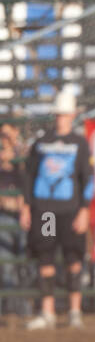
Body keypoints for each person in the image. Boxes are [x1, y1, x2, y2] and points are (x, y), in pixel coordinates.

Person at [20, 89, 93, 330]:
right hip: (47, 211)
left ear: (72, 115)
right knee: (46, 256)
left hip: (70, 209)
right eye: (58, 114)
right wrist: (27, 206)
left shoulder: (80, 144)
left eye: (65, 114)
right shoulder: (42, 144)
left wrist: (85, 210)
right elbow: (29, 176)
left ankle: (74, 311)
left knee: (73, 258)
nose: (61, 118)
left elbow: (87, 179)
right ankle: (48, 312)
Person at [0, 125, 31, 316]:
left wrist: (15, 158)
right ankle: (11, 309)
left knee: (28, 262)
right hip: (4, 213)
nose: (5, 137)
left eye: (8, 132)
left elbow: (29, 172)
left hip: (27, 214)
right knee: (7, 264)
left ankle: (26, 307)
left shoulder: (24, 151)